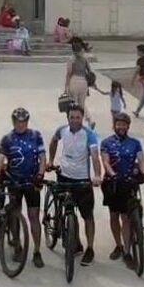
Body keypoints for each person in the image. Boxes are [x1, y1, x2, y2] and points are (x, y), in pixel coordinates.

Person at [47, 105, 103, 266]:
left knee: (88, 217)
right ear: (68, 118)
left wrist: (97, 175)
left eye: (78, 117)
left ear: (82, 118)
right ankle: (75, 241)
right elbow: (54, 140)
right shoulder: (62, 130)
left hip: (82, 181)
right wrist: (51, 160)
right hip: (64, 178)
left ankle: (90, 248)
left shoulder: (89, 135)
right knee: (68, 211)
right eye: (72, 117)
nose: (75, 120)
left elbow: (94, 156)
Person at [0, 108, 47, 269]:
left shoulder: (36, 136)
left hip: (31, 182)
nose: (21, 124)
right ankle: (17, 245)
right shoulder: (7, 139)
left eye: (24, 122)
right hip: (14, 182)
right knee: (15, 215)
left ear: (27, 122)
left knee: (34, 217)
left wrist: (40, 174)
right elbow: (1, 158)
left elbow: (43, 157)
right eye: (18, 122)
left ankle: (37, 251)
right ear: (13, 122)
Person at [100, 112, 144, 268]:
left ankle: (127, 251)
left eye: (124, 124)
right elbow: (105, 162)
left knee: (125, 217)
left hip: (128, 183)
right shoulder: (106, 143)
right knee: (114, 215)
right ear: (114, 125)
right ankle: (118, 245)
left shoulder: (135, 143)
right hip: (112, 183)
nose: (121, 127)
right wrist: (112, 174)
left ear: (128, 126)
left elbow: (141, 160)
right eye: (118, 124)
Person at [64, 41, 93, 124]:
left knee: (74, 103)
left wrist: (66, 86)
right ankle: (88, 119)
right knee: (82, 103)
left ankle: (74, 121)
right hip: (83, 81)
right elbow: (89, 71)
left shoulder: (71, 60)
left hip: (74, 80)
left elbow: (69, 73)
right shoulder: (84, 59)